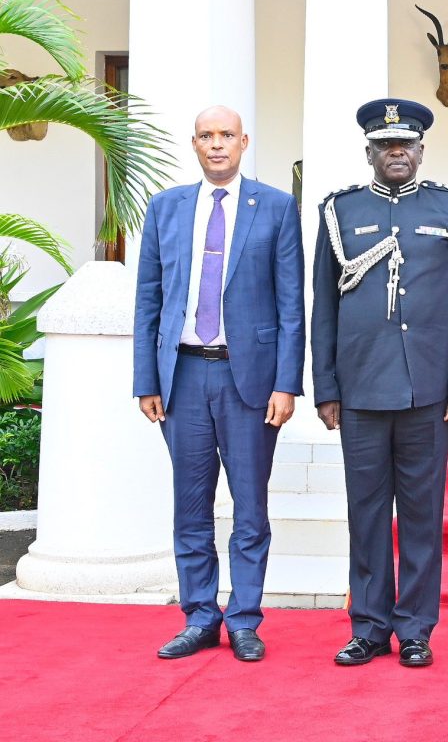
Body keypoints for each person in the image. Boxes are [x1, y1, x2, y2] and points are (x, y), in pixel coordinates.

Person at [312, 99, 448, 668]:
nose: (397, 153)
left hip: (427, 391)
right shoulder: (340, 213)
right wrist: (326, 386)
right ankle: (368, 625)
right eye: (386, 146)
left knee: (420, 512)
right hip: (360, 388)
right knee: (365, 512)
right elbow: (324, 306)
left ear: (420, 150)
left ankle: (415, 628)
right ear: (369, 152)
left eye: (405, 145)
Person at [134, 105, 304, 662]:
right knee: (191, 507)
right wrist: (145, 379)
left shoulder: (276, 207)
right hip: (181, 376)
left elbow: (289, 305)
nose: (216, 145)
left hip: (249, 380)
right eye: (206, 136)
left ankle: (245, 620)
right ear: (194, 144)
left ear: (244, 142)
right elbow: (149, 301)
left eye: (225, 135)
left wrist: (287, 383)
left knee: (250, 508)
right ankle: (200, 616)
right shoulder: (165, 209)